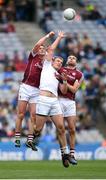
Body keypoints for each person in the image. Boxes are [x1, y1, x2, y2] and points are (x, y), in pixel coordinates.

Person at [15, 31, 62, 150]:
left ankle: (30, 140)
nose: (41, 49)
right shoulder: (33, 56)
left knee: (33, 116)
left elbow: (52, 51)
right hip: (25, 87)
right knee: (20, 114)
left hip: (37, 90)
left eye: (43, 48)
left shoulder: (47, 63)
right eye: (40, 48)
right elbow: (37, 45)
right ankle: (17, 138)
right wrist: (47, 36)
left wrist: (58, 38)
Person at [35, 32, 70, 167]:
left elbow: (64, 91)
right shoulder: (47, 65)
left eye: (61, 62)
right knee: (38, 129)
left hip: (55, 101)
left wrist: (65, 81)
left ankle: (64, 154)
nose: (60, 63)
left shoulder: (59, 74)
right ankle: (33, 134)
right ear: (52, 60)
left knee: (61, 128)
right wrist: (59, 38)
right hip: (44, 99)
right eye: (58, 60)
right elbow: (50, 50)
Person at [58, 55, 84, 165]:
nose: (71, 59)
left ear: (76, 62)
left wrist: (64, 80)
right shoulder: (61, 69)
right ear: (67, 60)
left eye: (74, 58)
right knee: (60, 129)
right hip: (58, 100)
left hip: (70, 102)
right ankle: (64, 155)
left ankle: (72, 154)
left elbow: (74, 90)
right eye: (69, 57)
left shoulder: (79, 74)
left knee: (72, 129)